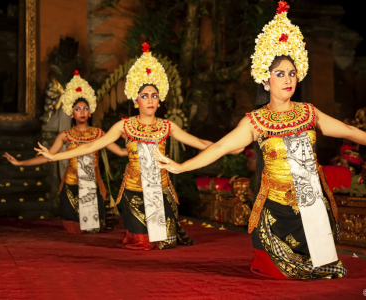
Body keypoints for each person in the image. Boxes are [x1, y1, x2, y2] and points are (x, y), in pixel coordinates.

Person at [152, 1, 366, 280]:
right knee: (279, 272)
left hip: (311, 208)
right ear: (266, 81)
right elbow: (222, 147)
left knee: (328, 270)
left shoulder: (308, 112)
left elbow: (346, 130)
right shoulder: (255, 121)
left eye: (292, 73)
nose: (288, 79)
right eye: (280, 74)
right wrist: (182, 167)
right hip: (275, 213)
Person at [35, 43, 238, 250]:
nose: (150, 100)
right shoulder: (124, 126)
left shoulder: (168, 126)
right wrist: (54, 156)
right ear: (135, 101)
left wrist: (230, 147)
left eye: (154, 95)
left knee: (165, 243)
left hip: (161, 191)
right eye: (144, 96)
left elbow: (201, 143)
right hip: (134, 192)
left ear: (160, 100)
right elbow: (91, 146)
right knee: (143, 244)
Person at [5, 71, 127, 234]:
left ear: (90, 112)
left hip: (92, 185)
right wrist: (20, 163)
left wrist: (135, 145)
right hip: (72, 185)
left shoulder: (99, 134)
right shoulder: (65, 135)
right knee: (74, 231)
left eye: (85, 108)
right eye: (77, 109)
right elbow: (47, 157)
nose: (82, 112)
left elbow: (120, 151)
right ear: (71, 113)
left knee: (93, 231)